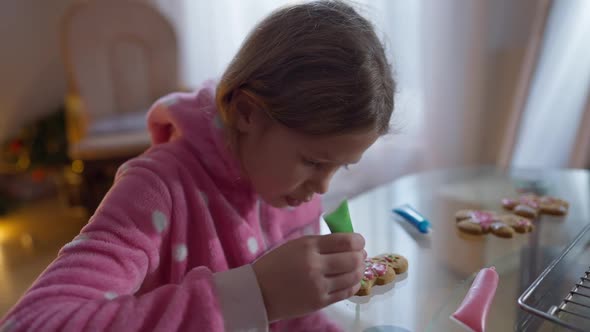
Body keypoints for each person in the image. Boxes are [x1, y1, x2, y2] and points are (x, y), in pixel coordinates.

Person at [1, 0, 395, 330]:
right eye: (312, 161)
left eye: (340, 167)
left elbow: (293, 319)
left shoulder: (292, 193)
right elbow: (34, 322)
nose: (323, 188)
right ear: (246, 112)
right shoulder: (156, 190)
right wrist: (253, 293)